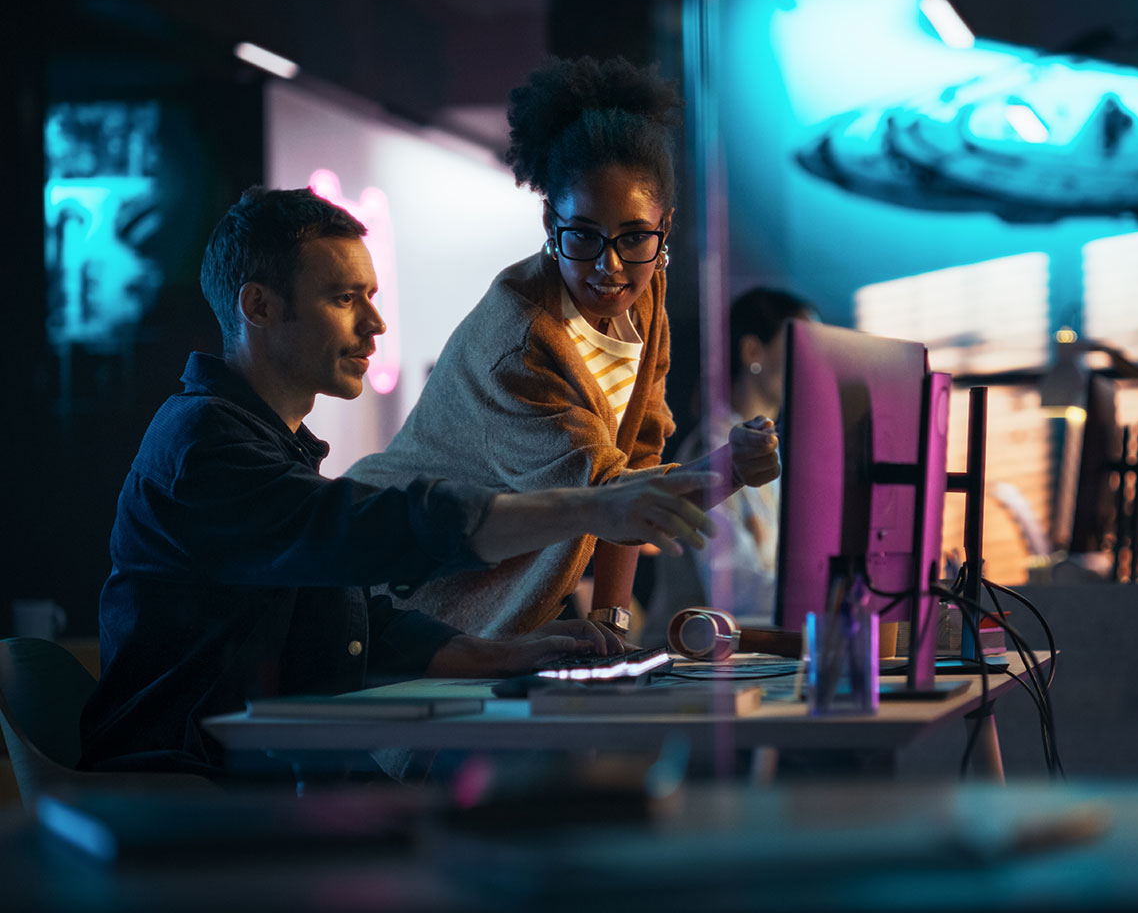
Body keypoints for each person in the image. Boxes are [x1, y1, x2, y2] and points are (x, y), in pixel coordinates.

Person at [79, 187, 716, 777]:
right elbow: (362, 529)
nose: (374, 326)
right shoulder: (202, 446)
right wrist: (594, 509)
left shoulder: (257, 441)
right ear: (259, 306)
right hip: (185, 795)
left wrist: (505, 653)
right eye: (343, 298)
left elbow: (358, 618)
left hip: (248, 783)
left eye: (371, 297)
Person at [346, 57, 779, 643]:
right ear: (551, 222)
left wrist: (611, 618)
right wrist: (731, 467)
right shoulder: (520, 342)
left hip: (496, 586)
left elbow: (638, 458)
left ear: (664, 228)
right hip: (402, 587)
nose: (610, 265)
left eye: (633, 237)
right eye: (584, 236)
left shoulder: (643, 292)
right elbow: (610, 496)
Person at [643, 289, 818, 639]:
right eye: (803, 348)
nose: (814, 366)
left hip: (736, 659)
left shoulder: (769, 453)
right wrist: (829, 594)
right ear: (753, 352)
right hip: (686, 668)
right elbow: (735, 594)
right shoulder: (709, 453)